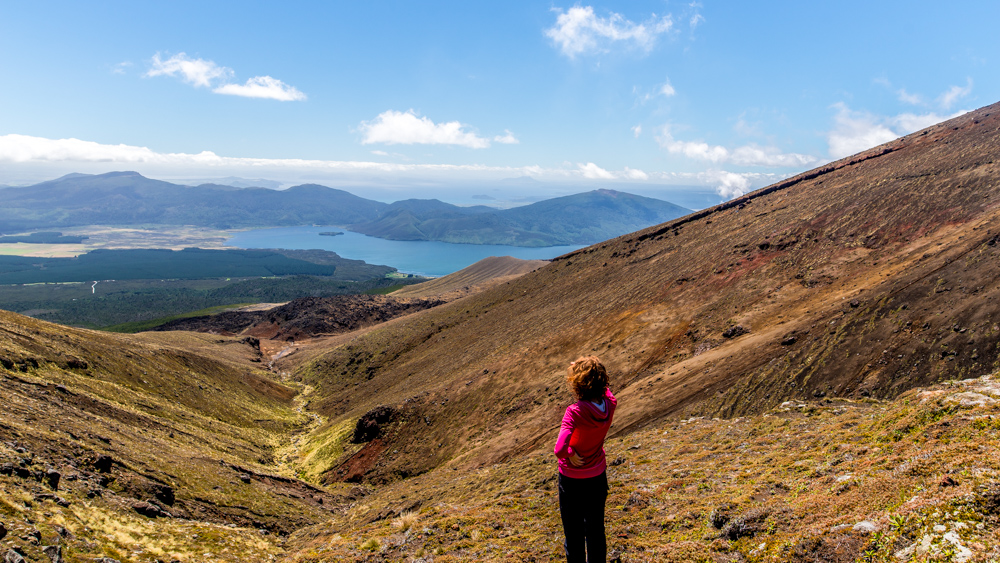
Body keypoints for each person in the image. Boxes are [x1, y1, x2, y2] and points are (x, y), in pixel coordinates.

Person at [553, 355, 617, 563]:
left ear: (579, 385)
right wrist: (592, 372)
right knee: (596, 530)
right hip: (597, 476)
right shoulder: (610, 404)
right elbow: (606, 390)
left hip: (571, 480)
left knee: (574, 534)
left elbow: (560, 449)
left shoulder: (574, 412)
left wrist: (571, 453)